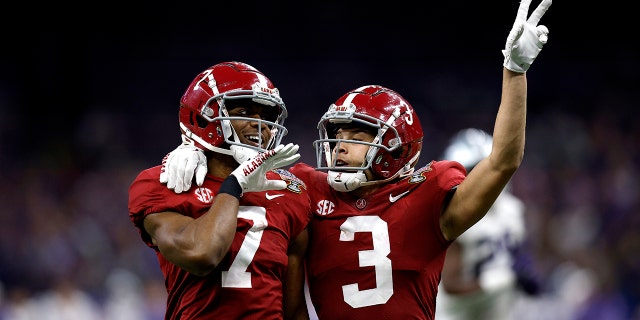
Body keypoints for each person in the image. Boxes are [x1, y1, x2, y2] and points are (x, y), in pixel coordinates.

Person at [160, 0, 552, 318]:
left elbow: (503, 161)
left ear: (398, 145)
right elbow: (244, 168)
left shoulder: (429, 196)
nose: (339, 147)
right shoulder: (308, 188)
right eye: (336, 135)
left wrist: (514, 71)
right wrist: (195, 145)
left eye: (358, 136)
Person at [128, 61, 312, 320]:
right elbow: (202, 254)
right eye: (244, 111)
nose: (259, 125)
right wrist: (234, 185)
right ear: (203, 116)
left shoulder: (290, 192)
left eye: (267, 116)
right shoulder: (167, 182)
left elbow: (293, 310)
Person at [434, 128, 540, 320]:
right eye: (471, 172)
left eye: (482, 170)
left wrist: (525, 273)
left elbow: (518, 256)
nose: (478, 180)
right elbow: (451, 285)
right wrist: (504, 279)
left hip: (499, 310)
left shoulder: (513, 210)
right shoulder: (454, 215)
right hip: (457, 313)